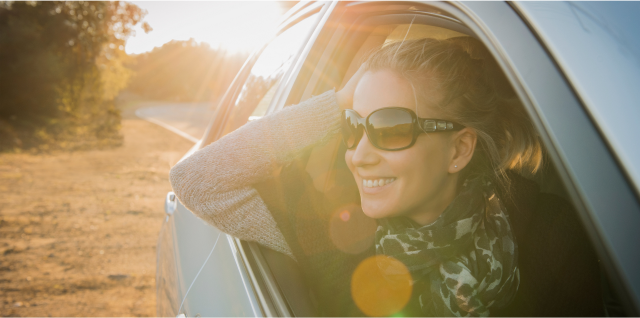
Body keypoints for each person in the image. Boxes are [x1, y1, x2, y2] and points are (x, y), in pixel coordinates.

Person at [169, 37, 542, 317]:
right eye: (353, 125)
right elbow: (196, 179)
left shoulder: (544, 227)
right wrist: (337, 102)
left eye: (392, 127)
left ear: (459, 150)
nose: (358, 156)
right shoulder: (326, 226)